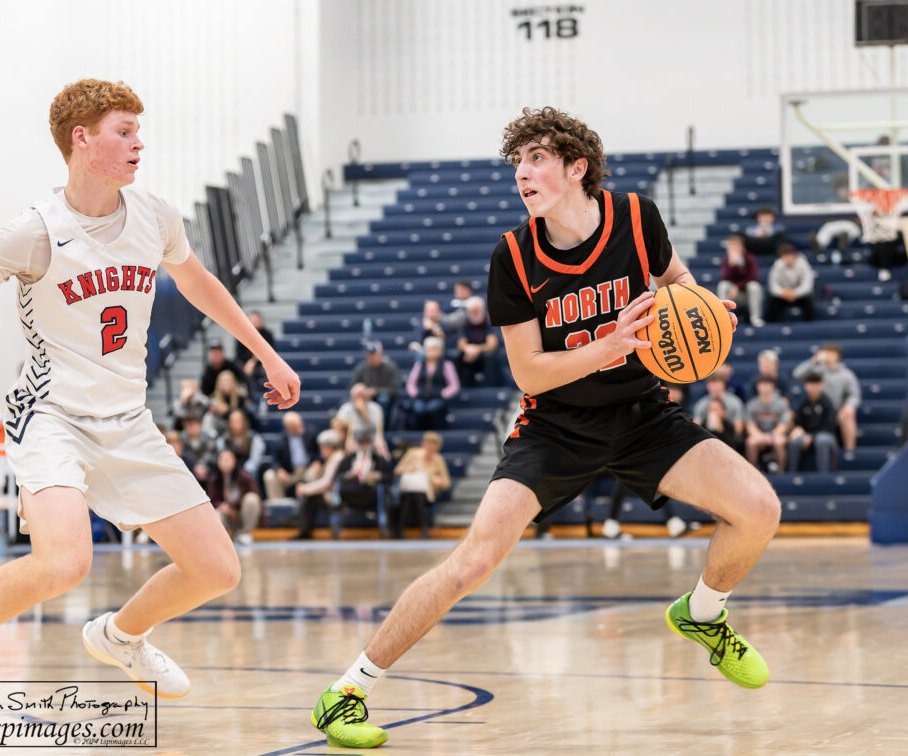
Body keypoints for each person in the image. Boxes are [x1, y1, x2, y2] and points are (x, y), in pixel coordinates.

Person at [311, 107, 779, 748]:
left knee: (758, 508)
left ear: (576, 166)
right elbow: (529, 373)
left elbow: (677, 282)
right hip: (554, 426)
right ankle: (346, 693)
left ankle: (702, 615)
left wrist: (703, 313)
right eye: (517, 163)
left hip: (643, 414)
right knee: (473, 562)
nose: (523, 174)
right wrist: (613, 343)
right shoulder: (514, 255)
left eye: (536, 159)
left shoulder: (638, 218)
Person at [0, 80, 299, 701]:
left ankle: (121, 636)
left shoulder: (155, 214)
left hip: (126, 419)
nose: (140, 144)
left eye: (139, 131)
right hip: (50, 415)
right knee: (64, 562)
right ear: (82, 140)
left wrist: (265, 354)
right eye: (124, 132)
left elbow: (199, 283)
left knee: (217, 569)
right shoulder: (33, 232)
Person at [793, 343, 861, 450]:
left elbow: (854, 394)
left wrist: (848, 406)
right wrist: (813, 361)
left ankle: (850, 452)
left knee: (848, 415)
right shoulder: (817, 371)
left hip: (836, 412)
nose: (827, 355)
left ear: (837, 356)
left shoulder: (846, 374)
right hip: (818, 411)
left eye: (830, 353)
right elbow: (797, 374)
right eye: (825, 352)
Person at [391, 431, 451, 539]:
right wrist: (406, 468)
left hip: (427, 493)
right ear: (424, 444)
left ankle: (423, 530)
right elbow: (397, 471)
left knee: (418, 496)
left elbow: (446, 483)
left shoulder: (438, 460)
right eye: (428, 447)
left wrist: (437, 481)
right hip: (408, 488)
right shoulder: (412, 453)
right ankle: (401, 530)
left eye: (433, 449)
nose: (430, 451)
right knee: (410, 496)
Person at [334, 428, 392, 535]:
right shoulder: (348, 459)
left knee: (382, 492)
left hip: (371, 493)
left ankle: (383, 525)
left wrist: (378, 475)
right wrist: (349, 475)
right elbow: (338, 476)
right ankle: (336, 524)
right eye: (361, 442)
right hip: (351, 493)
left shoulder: (379, 459)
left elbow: (389, 477)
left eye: (366, 442)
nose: (364, 445)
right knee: (341, 489)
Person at [291, 429, 345, 540]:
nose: (321, 450)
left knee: (308, 496)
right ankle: (300, 522)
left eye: (322, 447)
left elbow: (326, 483)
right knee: (309, 495)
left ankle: (301, 525)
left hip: (337, 497)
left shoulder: (337, 458)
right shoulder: (333, 457)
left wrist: (305, 489)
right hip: (333, 494)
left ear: (329, 447)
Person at [206, 449, 262, 546]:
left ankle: (246, 533)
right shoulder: (214, 479)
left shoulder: (245, 476)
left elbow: (257, 495)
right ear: (218, 462)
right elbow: (211, 500)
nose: (226, 463)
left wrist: (234, 506)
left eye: (228, 459)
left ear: (234, 461)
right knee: (216, 513)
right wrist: (221, 505)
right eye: (223, 460)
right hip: (226, 516)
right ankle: (220, 538)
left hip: (241, 514)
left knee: (252, 498)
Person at [404, 336, 461, 430]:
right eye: (429, 349)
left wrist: (443, 394)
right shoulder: (419, 365)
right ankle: (419, 432)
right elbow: (411, 383)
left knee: (432, 408)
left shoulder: (447, 365)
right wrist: (415, 393)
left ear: (440, 351)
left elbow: (454, 385)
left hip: (437, 397)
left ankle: (437, 431)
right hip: (421, 396)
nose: (431, 352)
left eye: (434, 349)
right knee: (419, 409)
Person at [787, 373, 838, 472]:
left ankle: (823, 474)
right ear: (805, 386)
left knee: (821, 440)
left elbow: (829, 426)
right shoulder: (803, 403)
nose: (812, 388)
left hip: (826, 434)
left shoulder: (827, 403)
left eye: (815, 384)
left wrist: (812, 436)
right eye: (810, 384)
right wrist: (797, 429)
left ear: (821, 385)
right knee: (794, 441)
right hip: (807, 434)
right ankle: (792, 473)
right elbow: (799, 423)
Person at [263, 411, 318, 500]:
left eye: (300, 425)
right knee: (269, 476)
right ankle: (279, 506)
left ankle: (312, 505)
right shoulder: (280, 440)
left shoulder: (311, 433)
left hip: (307, 469)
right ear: (288, 427)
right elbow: (275, 460)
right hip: (290, 473)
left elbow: (318, 452)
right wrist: (279, 470)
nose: (299, 428)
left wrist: (317, 462)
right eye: (295, 426)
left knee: (313, 474)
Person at [743, 376, 793, 473]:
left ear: (773, 387)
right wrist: (760, 436)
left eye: (767, 385)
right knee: (751, 442)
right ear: (757, 387)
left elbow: (783, 424)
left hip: (777, 434)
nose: (764, 388)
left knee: (779, 442)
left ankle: (781, 471)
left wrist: (772, 435)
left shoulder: (781, 404)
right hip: (759, 434)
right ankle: (753, 471)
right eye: (762, 385)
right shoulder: (752, 404)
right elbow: (750, 425)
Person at [349, 341, 401, 430]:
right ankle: (358, 428)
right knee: (349, 401)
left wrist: (375, 391)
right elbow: (353, 385)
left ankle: (383, 428)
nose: (371, 357)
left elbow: (394, 388)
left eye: (373, 354)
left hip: (383, 397)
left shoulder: (390, 367)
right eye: (369, 354)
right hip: (365, 397)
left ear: (380, 353)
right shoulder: (362, 367)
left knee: (383, 399)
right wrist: (362, 391)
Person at [716, 235, 764, 327]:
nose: (732, 250)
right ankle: (724, 318)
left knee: (753, 286)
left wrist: (737, 286)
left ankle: (755, 318)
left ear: (741, 247)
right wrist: (733, 266)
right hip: (734, 295)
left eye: (735, 247)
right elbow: (725, 278)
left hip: (748, 294)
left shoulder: (750, 259)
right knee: (723, 285)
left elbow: (753, 277)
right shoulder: (727, 261)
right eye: (730, 247)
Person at [455, 296, 501, 386]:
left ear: (482, 310)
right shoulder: (465, 322)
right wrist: (468, 349)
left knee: (490, 354)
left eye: (476, 311)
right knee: (455, 355)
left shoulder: (489, 321)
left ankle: (489, 386)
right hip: (469, 353)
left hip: (484, 353)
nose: (474, 313)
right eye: (472, 311)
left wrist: (476, 349)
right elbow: (461, 343)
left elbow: (492, 344)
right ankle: (460, 386)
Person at [336, 383, 389, 459]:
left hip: (371, 439)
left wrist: (364, 413)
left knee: (381, 448)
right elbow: (338, 425)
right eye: (357, 395)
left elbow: (376, 430)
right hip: (352, 439)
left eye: (362, 395)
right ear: (352, 397)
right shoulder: (346, 408)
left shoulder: (375, 408)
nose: (360, 398)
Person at [765, 244, 815, 322]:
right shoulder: (778, 265)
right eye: (785, 256)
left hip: (800, 295)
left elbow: (807, 285)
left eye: (789, 256)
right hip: (783, 296)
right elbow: (773, 285)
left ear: (794, 256)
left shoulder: (803, 264)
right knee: (773, 303)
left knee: (808, 301)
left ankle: (810, 324)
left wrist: (795, 293)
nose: (787, 259)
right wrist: (784, 293)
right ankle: (769, 325)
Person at [218, 408, 267, 483]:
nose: (236, 423)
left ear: (244, 422)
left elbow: (254, 462)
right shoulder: (223, 440)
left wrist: (241, 474)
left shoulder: (254, 439)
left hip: (247, 476)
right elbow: (221, 459)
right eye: (233, 421)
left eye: (238, 420)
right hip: (228, 475)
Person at [234, 310, 275, 381]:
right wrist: (249, 362)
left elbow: (270, 352)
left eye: (257, 320)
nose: (254, 322)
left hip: (262, 362)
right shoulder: (241, 334)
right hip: (245, 362)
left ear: (261, 321)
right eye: (252, 320)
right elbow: (239, 354)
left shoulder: (267, 334)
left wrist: (253, 361)